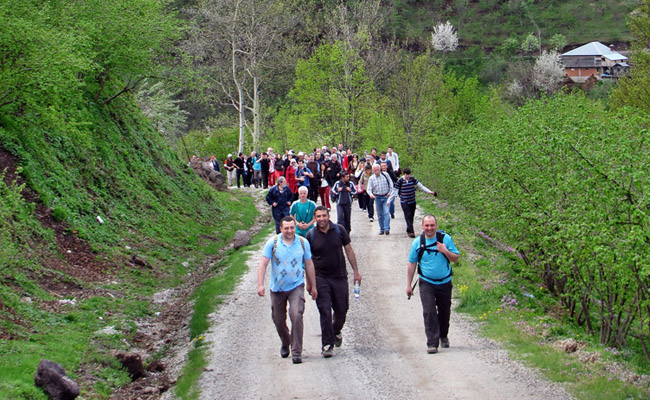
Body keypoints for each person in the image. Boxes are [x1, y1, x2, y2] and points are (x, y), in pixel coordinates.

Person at [258, 217, 318, 364]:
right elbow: (263, 264)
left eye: (292, 228)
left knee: (296, 314)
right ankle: (285, 342)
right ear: (281, 229)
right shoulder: (273, 243)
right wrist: (260, 284)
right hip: (277, 288)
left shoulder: (303, 243)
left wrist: (313, 285)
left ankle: (297, 351)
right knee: (278, 320)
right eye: (286, 228)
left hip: (296, 285)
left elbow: (309, 264)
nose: (290, 231)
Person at [307, 206, 361, 358]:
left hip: (339, 276)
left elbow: (349, 250)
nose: (322, 219)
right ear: (315, 218)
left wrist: (356, 271)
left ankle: (336, 330)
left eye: (324, 216)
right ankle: (327, 344)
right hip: (320, 277)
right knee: (324, 309)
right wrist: (310, 282)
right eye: (318, 216)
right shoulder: (311, 235)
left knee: (342, 309)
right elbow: (307, 260)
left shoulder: (339, 230)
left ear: (328, 216)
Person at [406, 215, 460, 354]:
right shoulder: (417, 243)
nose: (429, 228)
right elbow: (412, 264)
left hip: (445, 282)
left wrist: (445, 250)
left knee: (444, 311)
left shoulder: (445, 239)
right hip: (426, 282)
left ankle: (443, 336)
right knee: (429, 312)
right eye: (426, 226)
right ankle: (432, 343)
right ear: (422, 227)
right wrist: (408, 285)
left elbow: (456, 258)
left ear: (436, 226)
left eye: (432, 225)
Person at [395, 168, 436, 238]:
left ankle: (408, 229)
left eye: (408, 174)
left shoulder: (412, 179)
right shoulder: (400, 181)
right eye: (405, 174)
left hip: (412, 201)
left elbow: (421, 186)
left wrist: (430, 192)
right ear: (403, 174)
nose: (407, 176)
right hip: (404, 201)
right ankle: (411, 231)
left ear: (410, 174)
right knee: (408, 215)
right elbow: (395, 190)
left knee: (411, 216)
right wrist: (391, 199)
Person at [367, 163, 393, 235]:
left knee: (386, 213)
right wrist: (371, 195)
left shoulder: (385, 175)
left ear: (380, 169)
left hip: (385, 196)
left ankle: (387, 228)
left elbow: (391, 184)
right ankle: (382, 229)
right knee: (380, 214)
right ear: (373, 170)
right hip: (377, 197)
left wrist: (390, 193)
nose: (376, 171)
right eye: (375, 170)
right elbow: (369, 189)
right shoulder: (371, 178)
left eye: (377, 169)